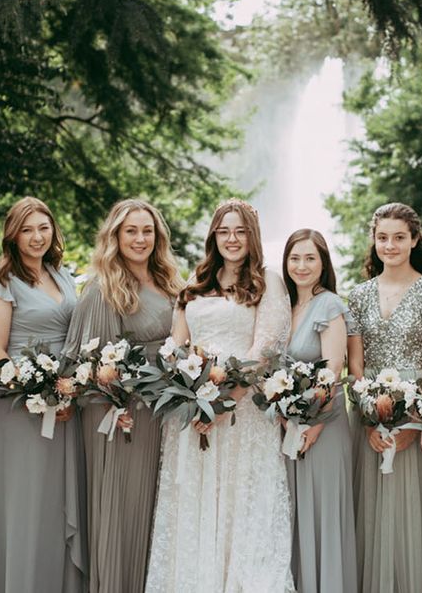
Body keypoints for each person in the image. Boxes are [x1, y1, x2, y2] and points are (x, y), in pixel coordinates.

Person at [145, 199, 294, 593]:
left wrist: (224, 402)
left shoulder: (268, 282)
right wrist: (188, 391)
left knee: (239, 509)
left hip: (241, 415)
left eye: (240, 231)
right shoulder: (195, 283)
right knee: (194, 507)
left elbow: (265, 351)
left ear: (252, 236)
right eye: (224, 230)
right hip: (193, 416)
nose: (232, 238)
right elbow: (176, 347)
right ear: (214, 235)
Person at [62, 199, 183, 593]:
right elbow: (92, 365)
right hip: (122, 420)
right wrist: (115, 404)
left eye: (147, 231)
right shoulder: (103, 290)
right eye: (130, 231)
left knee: (157, 517)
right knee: (124, 513)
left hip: (165, 415)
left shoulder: (169, 283)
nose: (140, 238)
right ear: (115, 236)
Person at [0, 196, 86, 593]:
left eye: (43, 227)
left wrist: (69, 389)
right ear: (13, 235)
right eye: (27, 229)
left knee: (57, 501)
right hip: (19, 406)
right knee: (25, 501)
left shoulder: (62, 276)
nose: (37, 237)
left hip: (65, 401)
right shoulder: (0, 282)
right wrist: (38, 393)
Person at [347, 203, 422, 592]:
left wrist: (416, 421)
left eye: (399, 237)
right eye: (383, 237)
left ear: (415, 240)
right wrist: (370, 417)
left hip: (415, 412)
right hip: (370, 414)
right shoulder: (358, 295)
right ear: (374, 240)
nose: (390, 245)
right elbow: (354, 366)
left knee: (410, 514)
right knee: (369, 511)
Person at [282, 228, 357, 593]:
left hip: (323, 425)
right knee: (295, 515)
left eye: (310, 258)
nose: (301, 265)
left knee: (323, 514)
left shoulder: (329, 304)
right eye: (295, 258)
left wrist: (314, 421)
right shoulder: (285, 306)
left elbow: (332, 370)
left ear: (323, 263)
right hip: (292, 425)